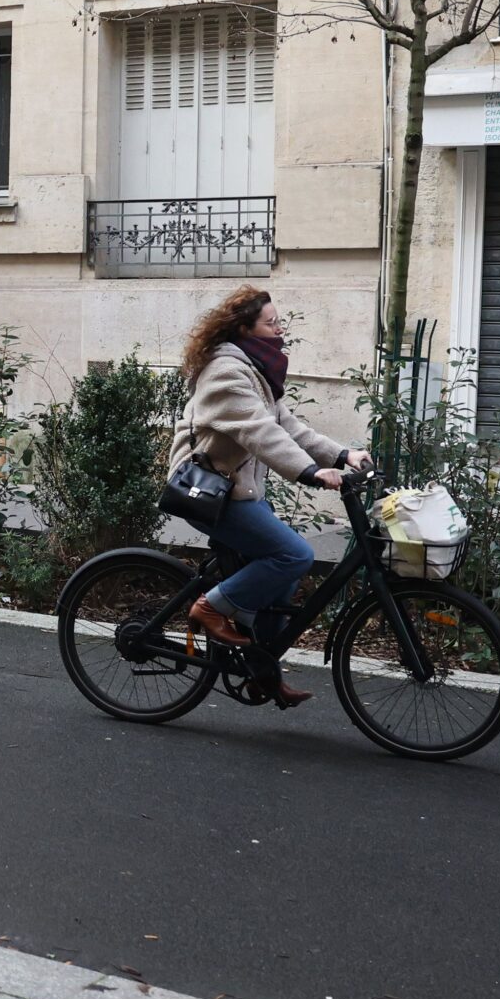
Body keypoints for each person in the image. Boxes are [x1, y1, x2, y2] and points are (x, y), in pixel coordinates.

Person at [168, 285, 371, 708]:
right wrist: (310, 471)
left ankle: (262, 672)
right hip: (209, 492)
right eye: (271, 322)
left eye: (280, 321)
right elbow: (262, 434)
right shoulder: (227, 373)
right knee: (293, 555)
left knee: (282, 579)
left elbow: (289, 426)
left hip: (239, 491)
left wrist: (343, 454)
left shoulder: (255, 369)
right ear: (245, 328)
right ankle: (211, 607)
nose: (280, 329)